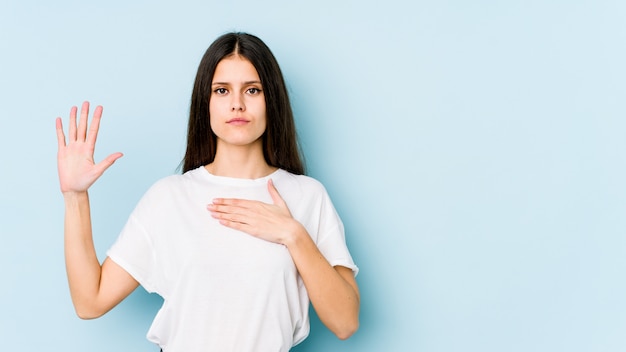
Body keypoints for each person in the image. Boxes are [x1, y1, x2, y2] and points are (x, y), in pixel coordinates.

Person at [55, 32, 360, 351]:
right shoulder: (169, 197)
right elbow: (90, 302)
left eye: (252, 90)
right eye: (222, 90)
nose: (237, 103)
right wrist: (75, 197)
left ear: (272, 99)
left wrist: (293, 235)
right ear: (206, 102)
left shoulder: (307, 196)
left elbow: (345, 322)